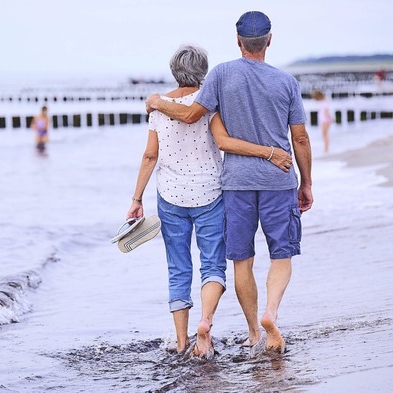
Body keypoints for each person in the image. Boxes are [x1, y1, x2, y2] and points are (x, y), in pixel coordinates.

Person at [146, 10, 313, 356]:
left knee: (242, 260)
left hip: (235, 183)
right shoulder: (287, 83)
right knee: (281, 255)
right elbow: (299, 139)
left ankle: (254, 330)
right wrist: (306, 182)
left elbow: (192, 114)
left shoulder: (221, 75)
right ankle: (270, 314)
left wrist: (157, 103)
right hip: (278, 181)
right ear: (269, 40)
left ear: (238, 41)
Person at [311, 89, 333, 154]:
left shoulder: (323, 102)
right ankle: (326, 148)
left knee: (325, 134)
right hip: (325, 120)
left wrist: (330, 118)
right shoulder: (323, 101)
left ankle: (326, 149)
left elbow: (326, 111)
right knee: (325, 134)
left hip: (325, 120)